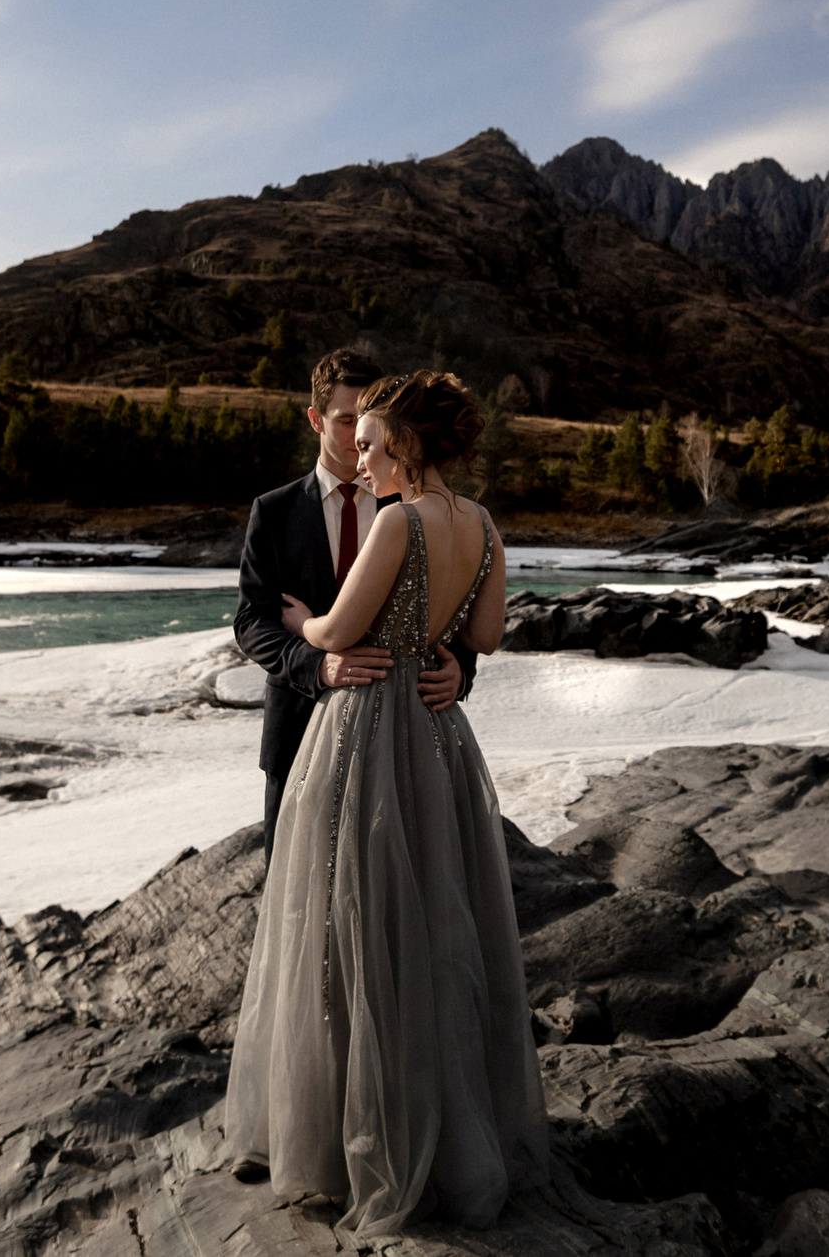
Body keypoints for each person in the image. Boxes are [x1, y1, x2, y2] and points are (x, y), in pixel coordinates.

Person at [224, 370, 548, 1235]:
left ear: (404, 442)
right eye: (353, 440)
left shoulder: (400, 518)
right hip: (435, 741)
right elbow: (480, 635)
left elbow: (337, 628)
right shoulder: (482, 523)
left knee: (351, 931)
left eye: (369, 441)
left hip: (367, 736)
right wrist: (432, 655)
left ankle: (351, 1141)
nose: (358, 456)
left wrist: (305, 624)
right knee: (438, 927)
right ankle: (432, 1128)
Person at [235, 348, 469, 856]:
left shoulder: (412, 508)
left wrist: (461, 672)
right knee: (297, 903)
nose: (361, 438)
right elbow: (252, 620)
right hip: (296, 731)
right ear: (315, 419)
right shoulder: (273, 512)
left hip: (398, 742)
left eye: (372, 425)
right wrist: (318, 666)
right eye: (345, 422)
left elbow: (455, 609)